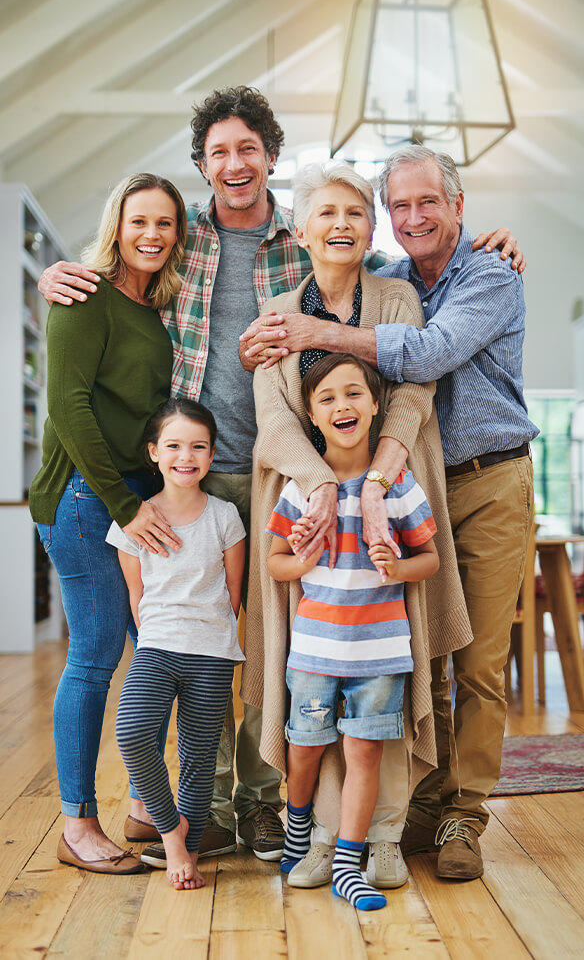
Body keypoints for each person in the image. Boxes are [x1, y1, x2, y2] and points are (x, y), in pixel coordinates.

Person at [37, 86, 524, 867]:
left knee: (343, 649)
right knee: (211, 649)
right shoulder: (178, 236)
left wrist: (486, 239)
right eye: (219, 152)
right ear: (203, 164)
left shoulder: (323, 252)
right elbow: (124, 259)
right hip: (204, 473)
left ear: (270, 156)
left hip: (338, 481)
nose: (235, 164)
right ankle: (207, 807)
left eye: (249, 149)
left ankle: (342, 812)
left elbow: (397, 313)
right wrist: (61, 273)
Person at [241, 145, 538, 881]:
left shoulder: (489, 273)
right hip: (383, 494)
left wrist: (370, 472)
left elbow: (425, 361)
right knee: (415, 661)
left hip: (480, 481)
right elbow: (279, 412)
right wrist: (327, 487)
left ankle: (463, 817)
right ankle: (415, 812)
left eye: (426, 203)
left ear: (458, 208)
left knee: (473, 663)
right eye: (398, 207)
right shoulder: (395, 276)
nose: (412, 217)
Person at [29, 173, 188, 873]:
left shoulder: (161, 307)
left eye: (165, 224)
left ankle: (145, 806)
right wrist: (126, 507)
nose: (151, 235)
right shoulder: (81, 296)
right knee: (95, 657)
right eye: (139, 222)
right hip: (85, 499)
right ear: (116, 226)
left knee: (154, 653)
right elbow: (67, 407)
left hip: (137, 496)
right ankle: (76, 822)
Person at [267, 352, 440, 910]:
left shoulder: (397, 485)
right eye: (327, 399)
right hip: (314, 653)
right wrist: (302, 556)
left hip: (381, 654)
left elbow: (431, 559)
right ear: (313, 418)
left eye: (353, 394)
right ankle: (298, 829)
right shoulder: (300, 490)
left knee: (365, 755)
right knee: (306, 752)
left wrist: (396, 567)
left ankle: (347, 862)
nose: (342, 405)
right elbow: (274, 564)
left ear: (374, 405)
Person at [107, 399, 246, 891]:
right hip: (157, 648)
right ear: (153, 452)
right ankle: (172, 833)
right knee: (132, 733)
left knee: (199, 754)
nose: (186, 456)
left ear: (211, 456)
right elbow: (135, 593)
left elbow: (233, 593)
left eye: (198, 447)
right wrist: (158, 636)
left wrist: (211, 635)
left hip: (211, 652)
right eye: (174, 445)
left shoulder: (226, 516)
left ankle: (185, 843)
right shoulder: (134, 522)